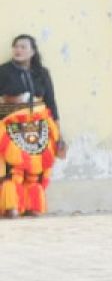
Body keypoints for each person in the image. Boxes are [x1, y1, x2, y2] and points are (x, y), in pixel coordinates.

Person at [0, 34, 63, 217]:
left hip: (39, 127)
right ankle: (11, 205)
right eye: (16, 47)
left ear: (33, 51)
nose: (18, 50)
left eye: (23, 47)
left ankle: (31, 205)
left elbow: (51, 102)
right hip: (10, 125)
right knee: (13, 168)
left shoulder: (42, 73)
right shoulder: (3, 71)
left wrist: (59, 133)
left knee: (35, 170)